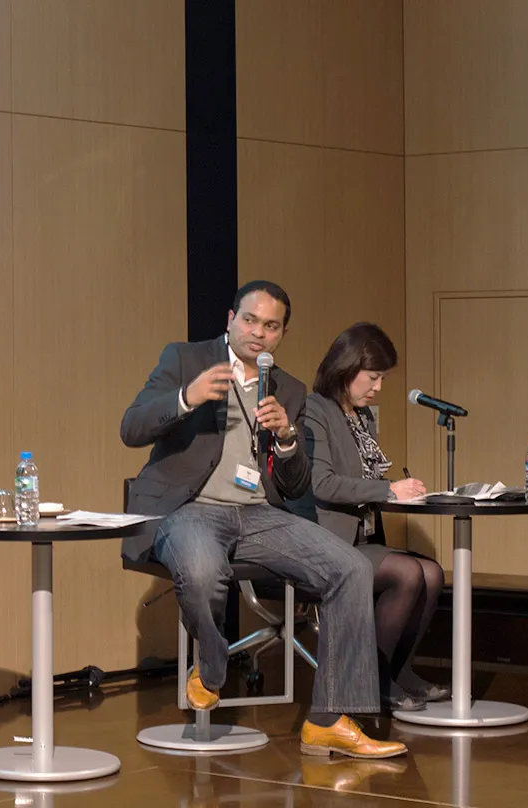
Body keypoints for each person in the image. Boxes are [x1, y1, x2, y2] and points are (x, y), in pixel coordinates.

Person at [120, 281, 405, 759]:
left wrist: (288, 437)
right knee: (204, 570)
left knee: (352, 568)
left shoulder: (287, 388)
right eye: (250, 320)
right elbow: (131, 428)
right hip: (189, 509)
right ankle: (213, 665)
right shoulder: (186, 359)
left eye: (271, 326)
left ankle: (328, 720)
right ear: (231, 319)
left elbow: (294, 486)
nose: (258, 333)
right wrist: (186, 398)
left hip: (257, 514)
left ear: (282, 334)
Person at [298, 323, 448, 712]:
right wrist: (387, 490)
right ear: (347, 368)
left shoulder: (362, 416)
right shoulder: (316, 410)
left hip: (363, 539)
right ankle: (373, 680)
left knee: (432, 573)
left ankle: (397, 672)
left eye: (382, 378)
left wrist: (403, 491)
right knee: (408, 573)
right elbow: (323, 483)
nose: (378, 387)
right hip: (328, 543)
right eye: (373, 377)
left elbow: (365, 479)